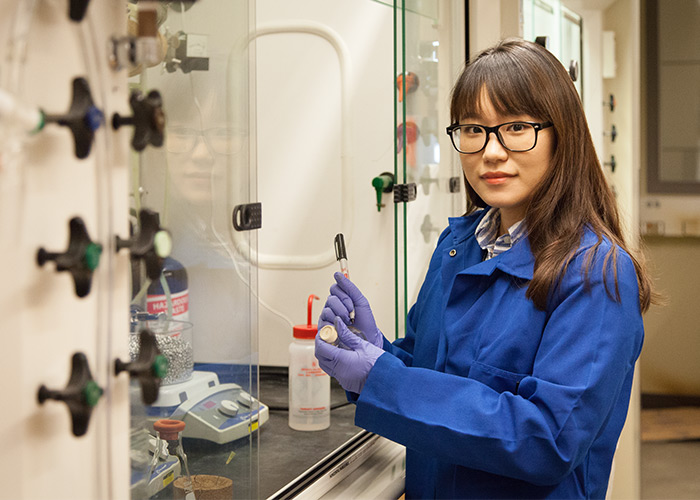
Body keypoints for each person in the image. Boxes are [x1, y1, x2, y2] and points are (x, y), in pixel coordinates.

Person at [315, 38, 656, 499]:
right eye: (473, 129)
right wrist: (376, 353)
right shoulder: (458, 246)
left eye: (516, 127)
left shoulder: (596, 274)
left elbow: (547, 440)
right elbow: (433, 375)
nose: (491, 152)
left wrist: (382, 377)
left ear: (563, 135)